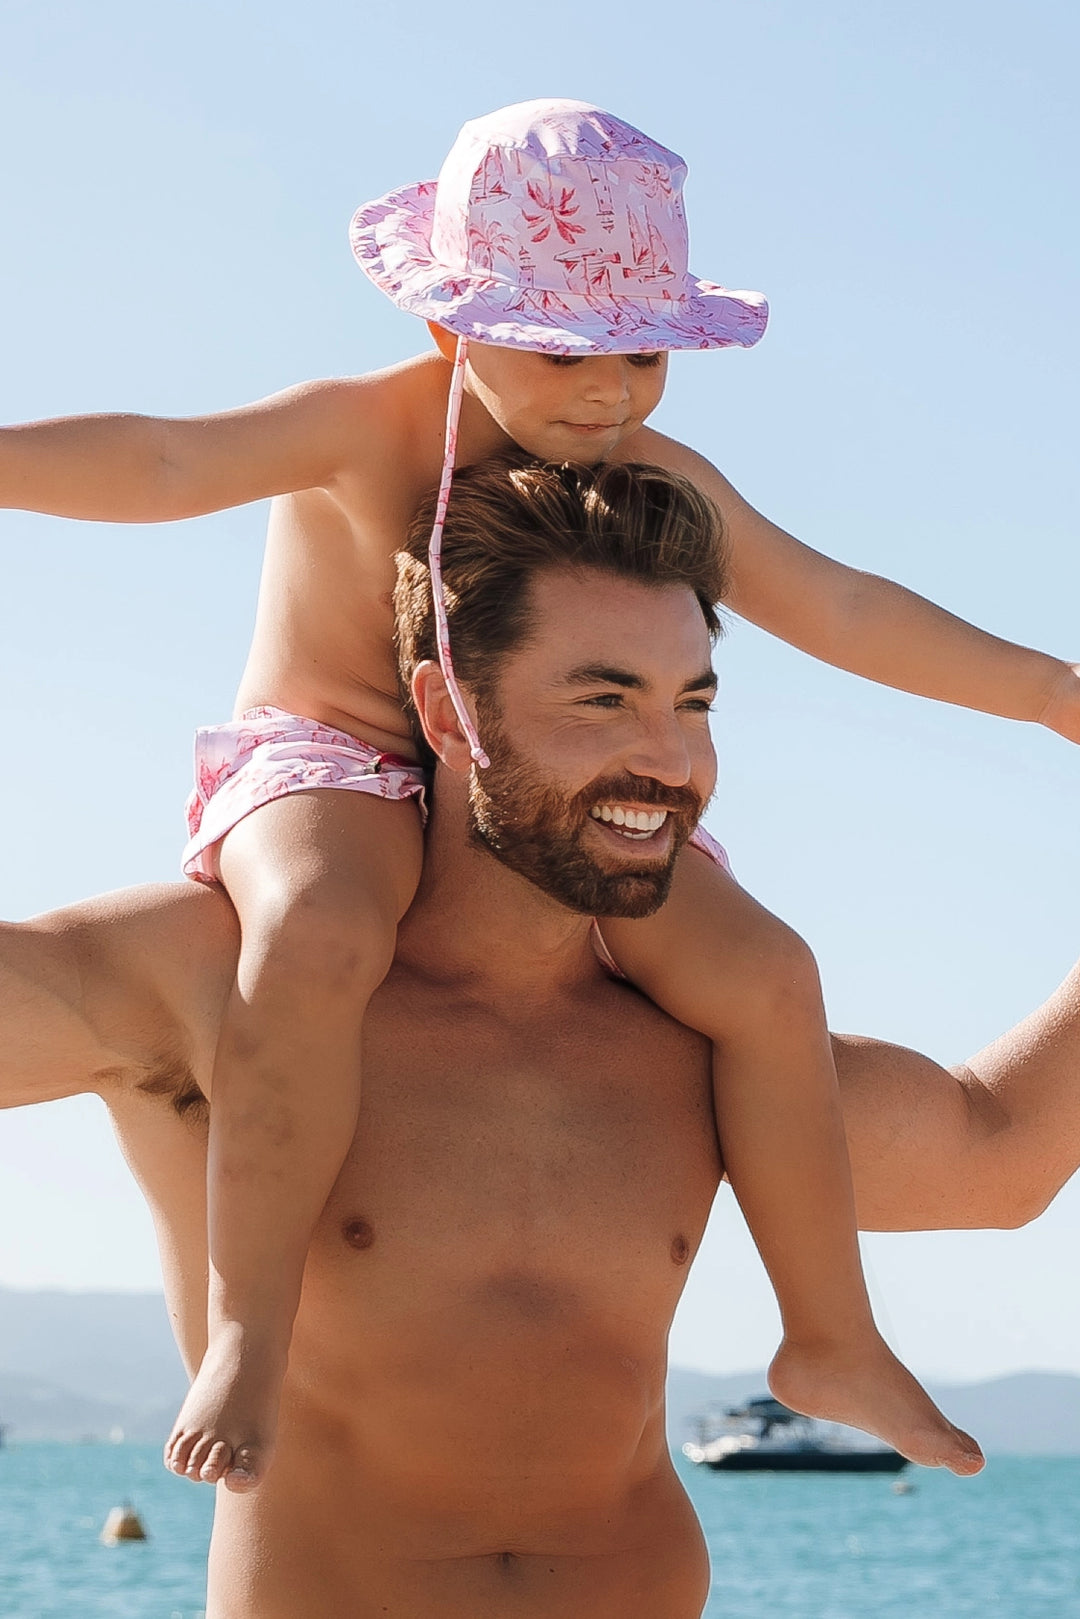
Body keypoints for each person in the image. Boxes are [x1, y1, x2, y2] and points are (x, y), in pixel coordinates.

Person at [2, 101, 1075, 1492]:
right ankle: (249, 1327)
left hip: (548, 806)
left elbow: (843, 603)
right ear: (453, 328)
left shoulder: (649, 479)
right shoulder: (363, 427)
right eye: (567, 347)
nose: (610, 390)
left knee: (769, 971)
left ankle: (829, 1332)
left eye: (645, 350)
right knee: (321, 928)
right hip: (332, 758)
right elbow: (160, 458)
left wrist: (1055, 690)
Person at [3, 458, 1080, 1619]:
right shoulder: (227, 989)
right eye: (603, 699)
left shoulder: (706, 1039)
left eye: (695, 702)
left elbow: (1000, 1153)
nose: (672, 762)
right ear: (444, 709)